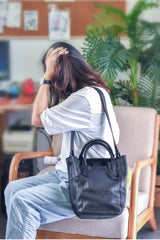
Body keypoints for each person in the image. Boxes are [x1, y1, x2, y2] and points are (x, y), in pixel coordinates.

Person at [4, 42, 120, 239]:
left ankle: (25, 224)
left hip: (85, 186)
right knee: (12, 189)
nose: (53, 82)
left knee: (23, 200)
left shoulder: (84, 99)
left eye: (51, 73)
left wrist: (46, 78)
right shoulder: (95, 91)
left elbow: (37, 119)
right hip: (66, 175)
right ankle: (25, 228)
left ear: (60, 73)